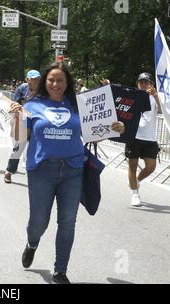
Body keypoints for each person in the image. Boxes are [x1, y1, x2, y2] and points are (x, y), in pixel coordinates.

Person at [9, 62, 124, 284]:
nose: (55, 84)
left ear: (67, 83)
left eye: (60, 80)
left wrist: (114, 128)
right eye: (51, 80)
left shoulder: (77, 106)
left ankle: (60, 271)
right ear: (45, 82)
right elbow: (20, 137)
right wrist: (17, 117)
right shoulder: (32, 105)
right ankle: (32, 243)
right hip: (42, 170)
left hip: (73, 170)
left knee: (67, 222)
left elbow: (93, 134)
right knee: (39, 221)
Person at [125, 72, 161, 207]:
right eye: (141, 82)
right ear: (137, 84)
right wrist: (107, 86)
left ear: (151, 84)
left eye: (146, 82)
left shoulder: (155, 97)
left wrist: (156, 96)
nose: (144, 84)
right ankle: (135, 194)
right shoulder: (132, 95)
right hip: (133, 136)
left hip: (150, 138)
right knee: (132, 165)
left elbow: (164, 111)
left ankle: (137, 181)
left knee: (151, 167)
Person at [4, 69, 40, 183]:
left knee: (35, 148)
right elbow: (14, 104)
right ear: (28, 80)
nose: (35, 81)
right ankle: (9, 171)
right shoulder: (21, 89)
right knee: (18, 148)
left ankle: (32, 172)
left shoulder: (44, 90)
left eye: (37, 79)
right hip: (22, 121)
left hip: (37, 122)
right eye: (33, 79)